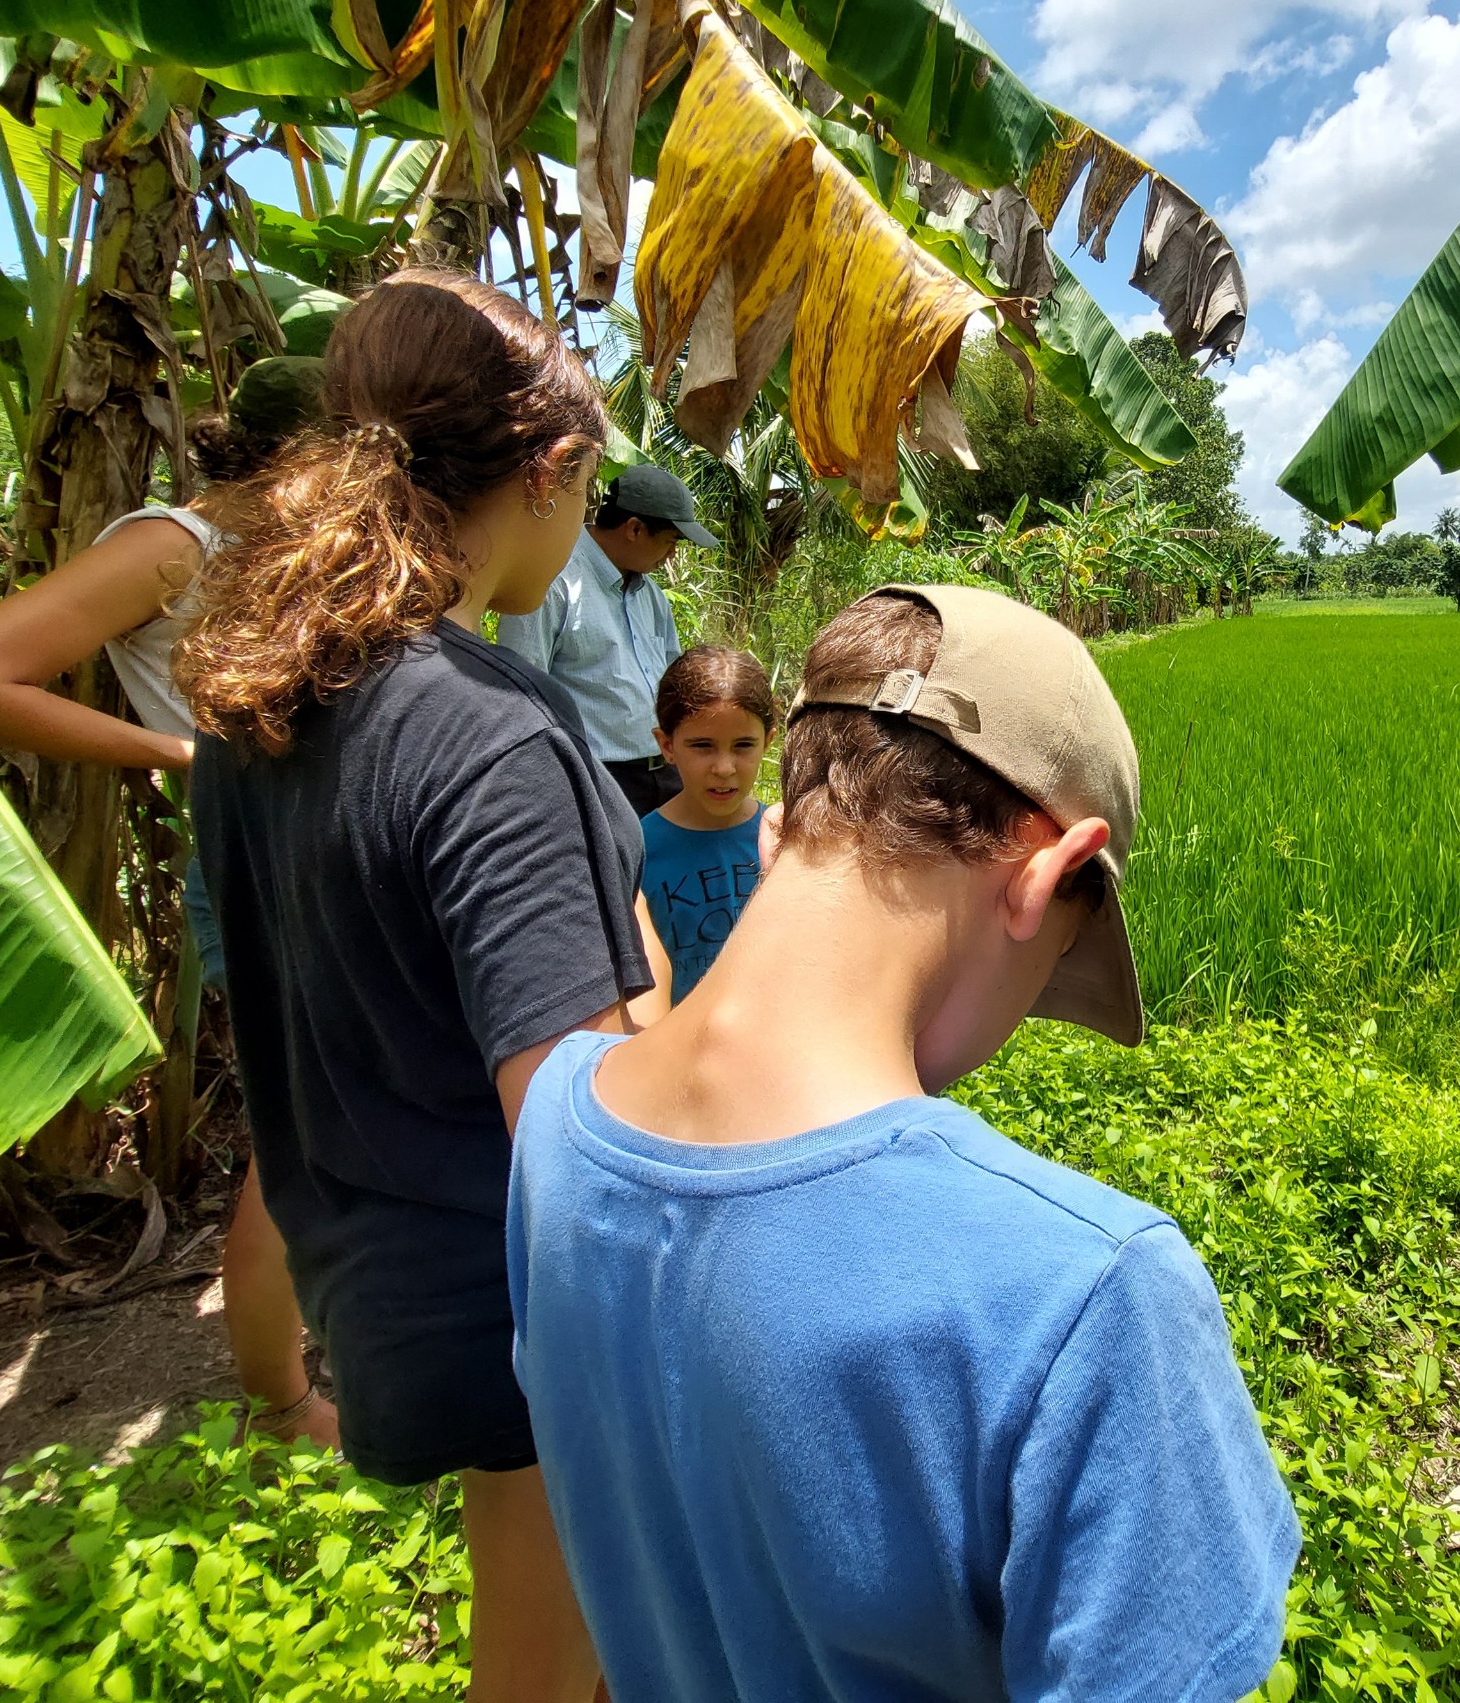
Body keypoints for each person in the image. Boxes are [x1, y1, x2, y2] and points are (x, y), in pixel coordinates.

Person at [509, 584, 1301, 1702]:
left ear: (778, 831)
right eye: (1048, 978)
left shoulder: (556, 1126)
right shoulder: (1089, 1293)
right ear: (1039, 878)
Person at [176, 271, 650, 1703]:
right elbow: (580, 1131)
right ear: (553, 472)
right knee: (560, 1659)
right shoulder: (491, 729)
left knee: (531, 1633)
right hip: (529, 1307)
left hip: (381, 1273)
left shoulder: (267, 693)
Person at [0, 356, 337, 1449]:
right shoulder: (173, 547)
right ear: (298, 457)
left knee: (344, 1121)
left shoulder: (287, 552)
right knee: (298, 1138)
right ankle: (285, 1404)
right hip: (259, 867)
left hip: (328, 858)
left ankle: (327, 1355)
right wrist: (181, 752)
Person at [496, 462, 719, 818]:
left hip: (665, 771)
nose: (671, 556)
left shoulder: (652, 596)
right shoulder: (555, 583)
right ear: (634, 529)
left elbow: (673, 682)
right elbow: (519, 694)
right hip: (598, 777)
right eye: (670, 541)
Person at [625, 646, 776, 1025]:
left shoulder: (785, 839)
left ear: (768, 742)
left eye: (743, 746)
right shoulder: (636, 851)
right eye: (702, 746)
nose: (724, 768)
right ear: (667, 745)